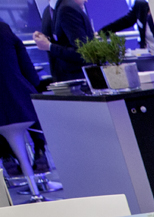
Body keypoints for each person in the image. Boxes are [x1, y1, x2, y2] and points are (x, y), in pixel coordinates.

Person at [0, 20, 49, 174]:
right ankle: (40, 149)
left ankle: (7, 156)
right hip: (21, 104)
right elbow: (31, 75)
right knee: (30, 99)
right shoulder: (4, 29)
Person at [32, 0, 95, 82]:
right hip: (64, 80)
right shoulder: (48, 11)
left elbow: (82, 52)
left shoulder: (67, 9)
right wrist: (43, 41)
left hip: (79, 80)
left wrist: (49, 46)